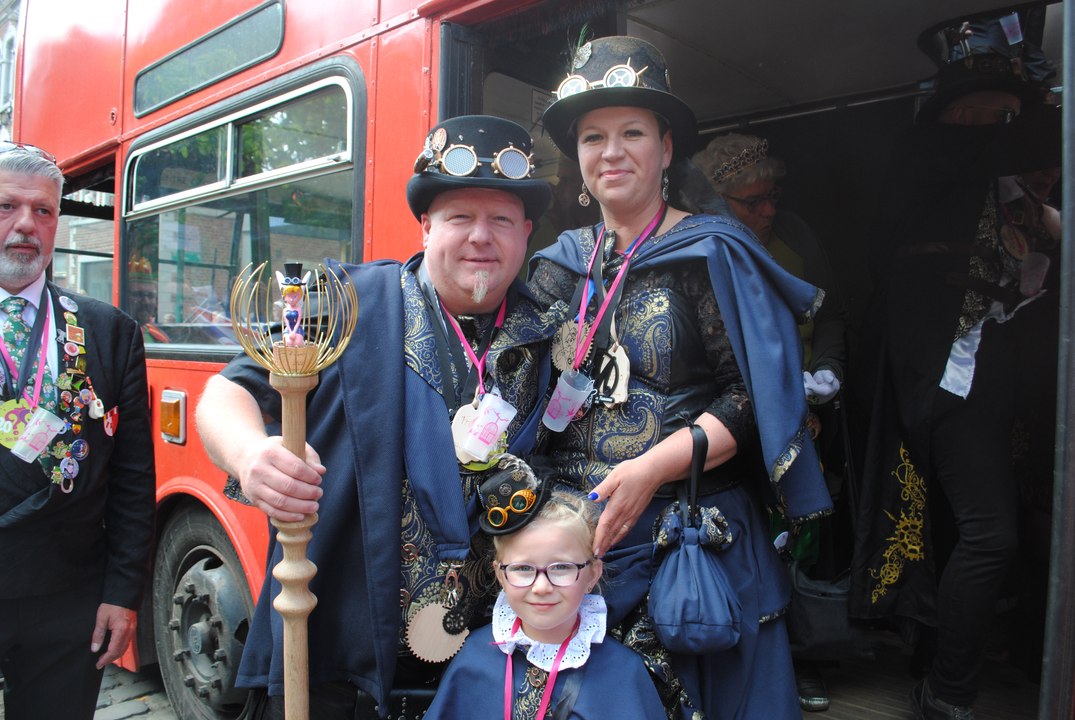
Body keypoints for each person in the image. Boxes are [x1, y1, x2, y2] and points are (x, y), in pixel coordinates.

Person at [195, 115, 558, 718]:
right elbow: (224, 395)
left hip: (495, 660)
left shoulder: (552, 332)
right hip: (347, 663)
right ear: (426, 225)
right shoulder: (348, 304)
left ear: (524, 233)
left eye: (500, 219)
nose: (480, 237)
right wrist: (249, 454)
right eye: (460, 217)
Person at [529, 36, 832, 719]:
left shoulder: (712, 252)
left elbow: (751, 397)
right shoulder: (557, 265)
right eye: (593, 137)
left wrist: (650, 470)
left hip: (690, 541)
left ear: (666, 149)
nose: (611, 152)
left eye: (632, 132)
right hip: (575, 545)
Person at [848, 18, 1060, 720]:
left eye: (1001, 111)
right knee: (987, 532)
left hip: (996, 377)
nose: (991, 122)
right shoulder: (929, 150)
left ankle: (951, 666)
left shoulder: (1011, 190)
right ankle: (948, 691)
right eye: (980, 109)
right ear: (952, 114)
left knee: (982, 528)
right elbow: (1028, 140)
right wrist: (1034, 102)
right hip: (943, 373)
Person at [693, 132, 850, 712]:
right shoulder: (704, 244)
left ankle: (806, 654)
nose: (767, 210)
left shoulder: (796, 236)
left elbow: (831, 312)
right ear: (718, 201)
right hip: (735, 421)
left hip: (805, 412)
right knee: (755, 544)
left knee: (804, 536)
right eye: (751, 201)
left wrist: (829, 368)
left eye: (772, 197)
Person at [0, 142, 156, 719]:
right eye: (6, 207)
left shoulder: (108, 330)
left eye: (43, 210)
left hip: (69, 598)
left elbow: (133, 478)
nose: (26, 224)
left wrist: (122, 593)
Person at [425, 459, 665, 719]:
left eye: (561, 568)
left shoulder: (622, 673)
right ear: (500, 575)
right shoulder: (473, 658)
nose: (541, 587)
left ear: (592, 574)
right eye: (523, 569)